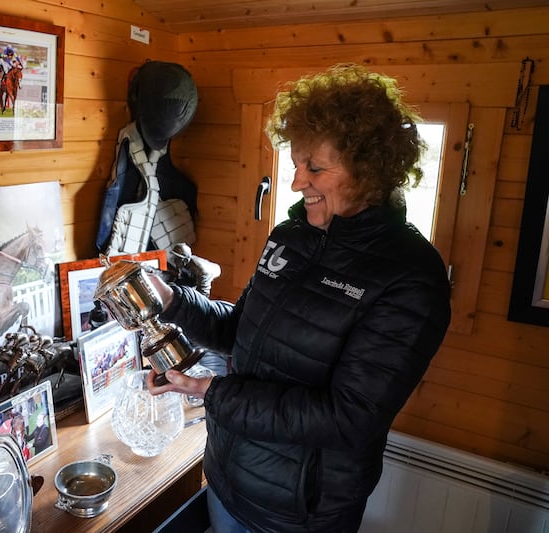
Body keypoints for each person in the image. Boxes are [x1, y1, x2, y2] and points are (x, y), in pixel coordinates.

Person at [146, 64, 452, 533]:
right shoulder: (292, 235)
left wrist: (210, 392)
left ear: (369, 170)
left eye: (315, 167)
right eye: (295, 163)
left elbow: (347, 417)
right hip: (228, 480)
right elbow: (238, 329)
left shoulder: (411, 276)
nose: (295, 182)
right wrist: (173, 300)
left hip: (300, 513)